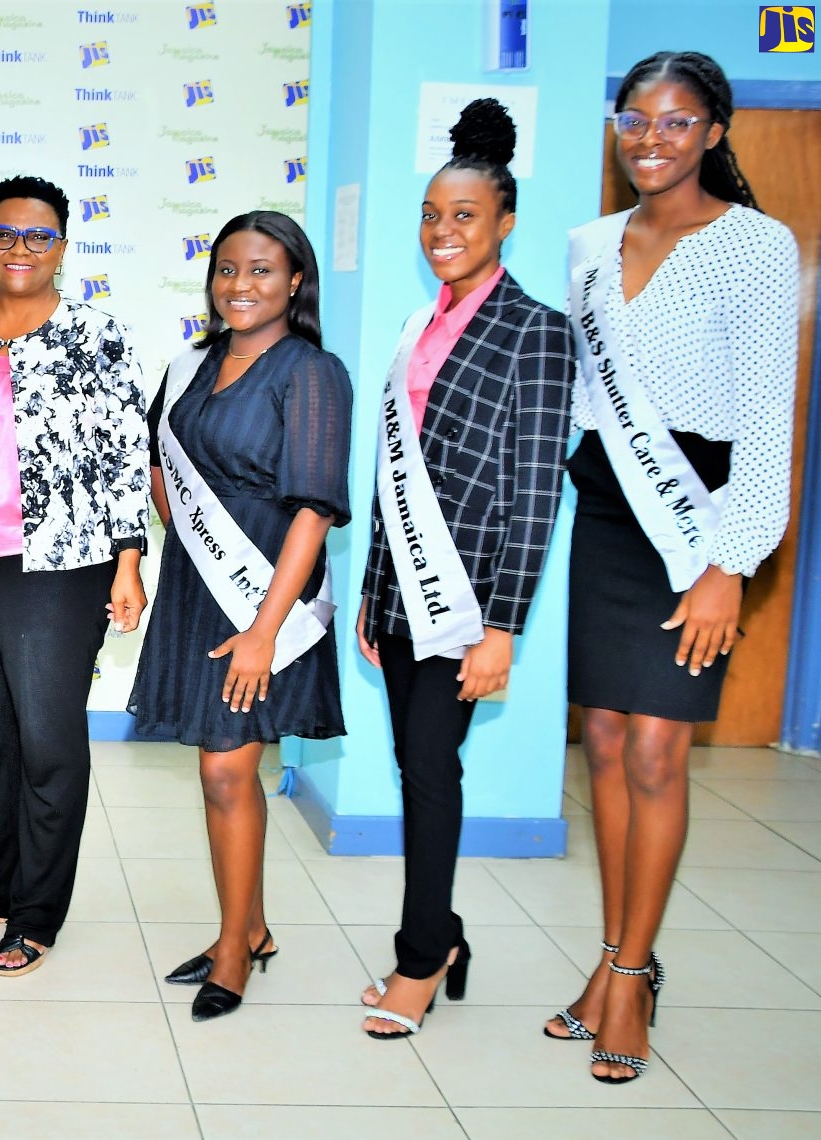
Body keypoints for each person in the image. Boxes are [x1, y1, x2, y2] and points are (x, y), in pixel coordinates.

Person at [545, 51, 797, 1084]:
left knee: (655, 752)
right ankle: (609, 962)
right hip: (604, 509)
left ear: (714, 131)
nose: (649, 138)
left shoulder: (754, 245)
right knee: (602, 744)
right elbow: (577, 395)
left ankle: (633, 976)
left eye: (675, 121)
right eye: (633, 119)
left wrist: (726, 564)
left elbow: (762, 426)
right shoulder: (587, 244)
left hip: (696, 516)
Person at [353, 100, 574, 1039]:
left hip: (469, 594)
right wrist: (370, 589)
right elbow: (386, 471)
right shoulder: (418, 321)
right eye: (432, 216)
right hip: (399, 588)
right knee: (414, 761)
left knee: (432, 770)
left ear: (506, 222)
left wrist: (502, 625)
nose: (444, 232)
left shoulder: (538, 329)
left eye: (466, 216)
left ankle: (419, 958)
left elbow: (534, 492)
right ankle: (443, 934)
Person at [128, 210, 352, 1021]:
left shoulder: (311, 372)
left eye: (261, 270)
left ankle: (234, 947)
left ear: (295, 280)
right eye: (227, 269)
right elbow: (159, 458)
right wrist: (180, 525)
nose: (240, 286)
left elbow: (315, 508)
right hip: (199, 586)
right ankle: (249, 926)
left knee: (229, 769)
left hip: (266, 597)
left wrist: (264, 627)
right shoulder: (193, 365)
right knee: (218, 771)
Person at [0, 176, 149, 977]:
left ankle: (39, 909)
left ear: (62, 245)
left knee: (47, 738)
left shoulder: (95, 332)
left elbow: (127, 451)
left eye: (38, 235)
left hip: (58, 564)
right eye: (4, 233)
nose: (19, 248)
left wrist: (128, 559)